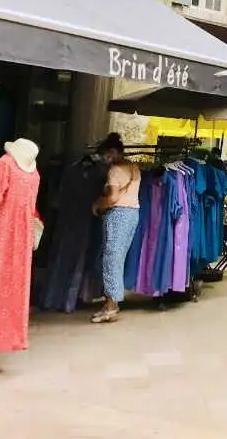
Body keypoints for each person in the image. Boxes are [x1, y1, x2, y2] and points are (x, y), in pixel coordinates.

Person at [90, 134, 140, 324]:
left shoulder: (114, 171)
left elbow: (112, 198)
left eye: (105, 155)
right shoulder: (134, 167)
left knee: (111, 260)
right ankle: (111, 303)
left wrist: (98, 204)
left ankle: (111, 306)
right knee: (116, 260)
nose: (104, 159)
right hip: (132, 215)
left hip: (118, 215)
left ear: (112, 152)